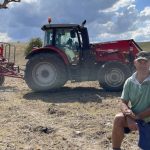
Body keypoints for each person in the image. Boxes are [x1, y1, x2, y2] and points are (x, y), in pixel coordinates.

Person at [112, 51, 150, 150]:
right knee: (118, 119)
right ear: (135, 63)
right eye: (140, 62)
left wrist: (137, 117)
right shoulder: (129, 81)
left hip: (147, 118)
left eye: (145, 62)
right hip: (134, 117)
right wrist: (129, 116)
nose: (143, 65)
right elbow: (123, 102)